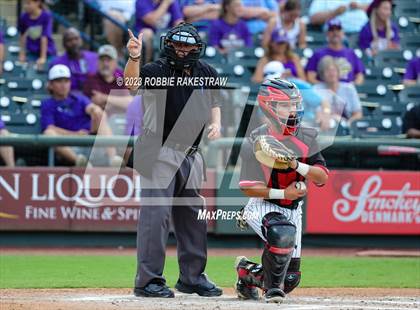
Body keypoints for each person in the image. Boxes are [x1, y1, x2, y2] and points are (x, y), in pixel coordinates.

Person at [124, 22, 223, 298]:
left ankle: (192, 277)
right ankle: (148, 281)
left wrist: (217, 123)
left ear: (196, 47)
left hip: (191, 152)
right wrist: (134, 57)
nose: (181, 50)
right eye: (177, 44)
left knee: (193, 218)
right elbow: (131, 85)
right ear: (169, 45)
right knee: (156, 218)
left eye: (186, 45)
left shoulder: (207, 72)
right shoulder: (156, 70)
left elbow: (215, 102)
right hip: (158, 150)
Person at [235, 78, 328, 302]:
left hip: (292, 208)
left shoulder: (307, 137)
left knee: (291, 279)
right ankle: (272, 291)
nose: (293, 110)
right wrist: (283, 193)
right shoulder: (255, 140)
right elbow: (248, 188)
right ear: (269, 106)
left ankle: (244, 272)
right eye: (286, 105)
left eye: (294, 104)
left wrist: (296, 165)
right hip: (263, 204)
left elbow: (322, 177)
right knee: (282, 232)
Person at [41, 64, 122, 167]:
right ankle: (80, 162)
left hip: (88, 141)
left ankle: (113, 159)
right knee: (48, 133)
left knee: (100, 114)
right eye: (59, 81)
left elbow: (91, 108)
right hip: (67, 146)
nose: (63, 85)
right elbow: (49, 128)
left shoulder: (79, 98)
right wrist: (75, 134)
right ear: (51, 85)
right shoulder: (47, 104)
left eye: (66, 81)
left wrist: (94, 110)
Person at [305, 19, 365, 85]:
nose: (335, 33)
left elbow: (360, 75)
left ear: (343, 33)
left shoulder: (351, 53)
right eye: (332, 30)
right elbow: (310, 77)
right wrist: (326, 88)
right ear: (327, 33)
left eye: (338, 30)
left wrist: (350, 87)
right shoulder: (318, 54)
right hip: (325, 92)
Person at [313, 56, 362, 131]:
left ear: (339, 72)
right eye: (327, 71)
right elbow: (317, 114)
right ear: (322, 74)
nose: (331, 73)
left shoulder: (349, 88)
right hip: (325, 127)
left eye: (334, 70)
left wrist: (349, 123)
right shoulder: (316, 89)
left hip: (348, 126)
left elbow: (358, 114)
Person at [83, 45, 132, 116]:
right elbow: (96, 103)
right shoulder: (91, 79)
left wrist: (104, 98)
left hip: (120, 118)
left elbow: (129, 102)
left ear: (115, 62)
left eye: (109, 60)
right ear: (97, 62)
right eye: (102, 60)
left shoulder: (121, 78)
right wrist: (118, 102)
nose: (105, 64)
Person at [18, 0, 56, 69]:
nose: (25, 6)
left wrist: (42, 57)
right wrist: (22, 54)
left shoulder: (46, 16)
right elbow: (22, 36)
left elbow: (44, 37)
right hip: (32, 52)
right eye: (25, 3)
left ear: (37, 3)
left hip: (48, 52)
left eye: (28, 3)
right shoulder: (24, 17)